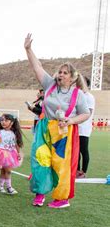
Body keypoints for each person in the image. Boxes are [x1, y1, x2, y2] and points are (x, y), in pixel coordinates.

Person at [25, 33, 90, 208]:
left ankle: (62, 198)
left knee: (61, 164)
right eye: (59, 72)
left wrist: (70, 120)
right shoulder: (49, 85)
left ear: (72, 77)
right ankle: (40, 193)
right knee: (40, 159)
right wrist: (28, 49)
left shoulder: (78, 95)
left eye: (65, 73)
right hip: (45, 127)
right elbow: (37, 67)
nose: (60, 75)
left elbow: (85, 114)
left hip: (64, 132)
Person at [0, 114, 23, 194]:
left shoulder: (14, 133)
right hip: (2, 154)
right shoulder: (0, 132)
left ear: (12, 122)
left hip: (11, 154)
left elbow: (16, 144)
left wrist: (18, 153)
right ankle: (9, 187)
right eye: (2, 120)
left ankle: (0, 186)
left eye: (6, 120)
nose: (3, 122)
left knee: (4, 171)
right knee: (8, 171)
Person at [77, 77, 95, 178]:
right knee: (76, 151)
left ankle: (83, 172)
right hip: (76, 127)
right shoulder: (78, 95)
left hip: (84, 128)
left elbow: (89, 112)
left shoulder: (89, 97)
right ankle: (77, 170)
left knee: (84, 150)